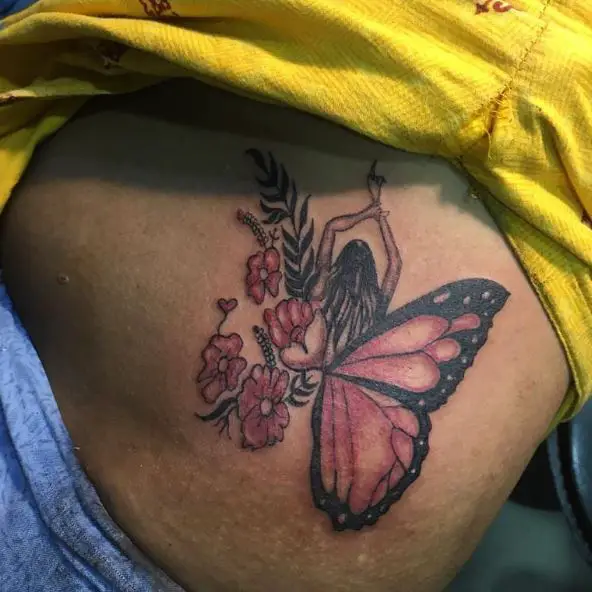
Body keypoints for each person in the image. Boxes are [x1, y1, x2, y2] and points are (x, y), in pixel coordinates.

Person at [0, 1, 589, 591]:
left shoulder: (325, 320)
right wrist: (373, 212)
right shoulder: (330, 313)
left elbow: (360, 252)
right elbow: (358, 250)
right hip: (23, 361)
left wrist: (375, 212)